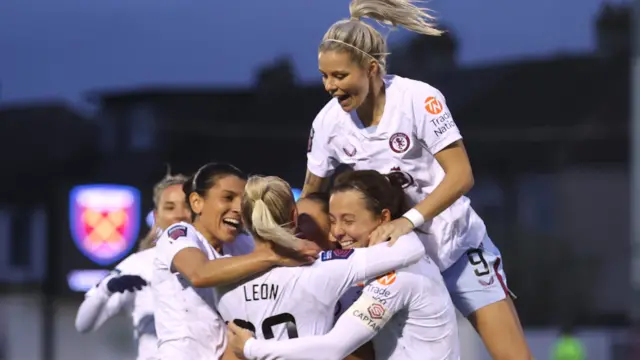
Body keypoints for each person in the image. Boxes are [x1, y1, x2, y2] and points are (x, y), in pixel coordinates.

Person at [300, 0, 532, 358]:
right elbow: (311, 197)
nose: (329, 86)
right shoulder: (327, 123)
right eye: (324, 76)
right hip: (387, 258)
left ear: (371, 68)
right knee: (349, 349)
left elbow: (462, 175)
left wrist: (408, 222)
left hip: (455, 247)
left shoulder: (419, 99)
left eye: (340, 76)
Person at [228, 170, 459, 360]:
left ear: (384, 218)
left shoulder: (400, 274)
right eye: (332, 221)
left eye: (348, 220)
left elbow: (334, 348)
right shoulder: (378, 265)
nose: (337, 232)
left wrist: (251, 348)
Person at [152, 163, 319, 360]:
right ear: (197, 202)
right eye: (228, 198)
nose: (239, 208)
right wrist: (274, 256)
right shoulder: (178, 234)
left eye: (244, 200)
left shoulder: (243, 244)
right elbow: (199, 273)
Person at [75, 172, 191, 360]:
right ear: (157, 217)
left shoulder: (219, 259)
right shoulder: (139, 264)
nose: (179, 215)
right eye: (170, 207)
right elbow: (83, 325)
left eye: (186, 207)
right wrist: (106, 289)